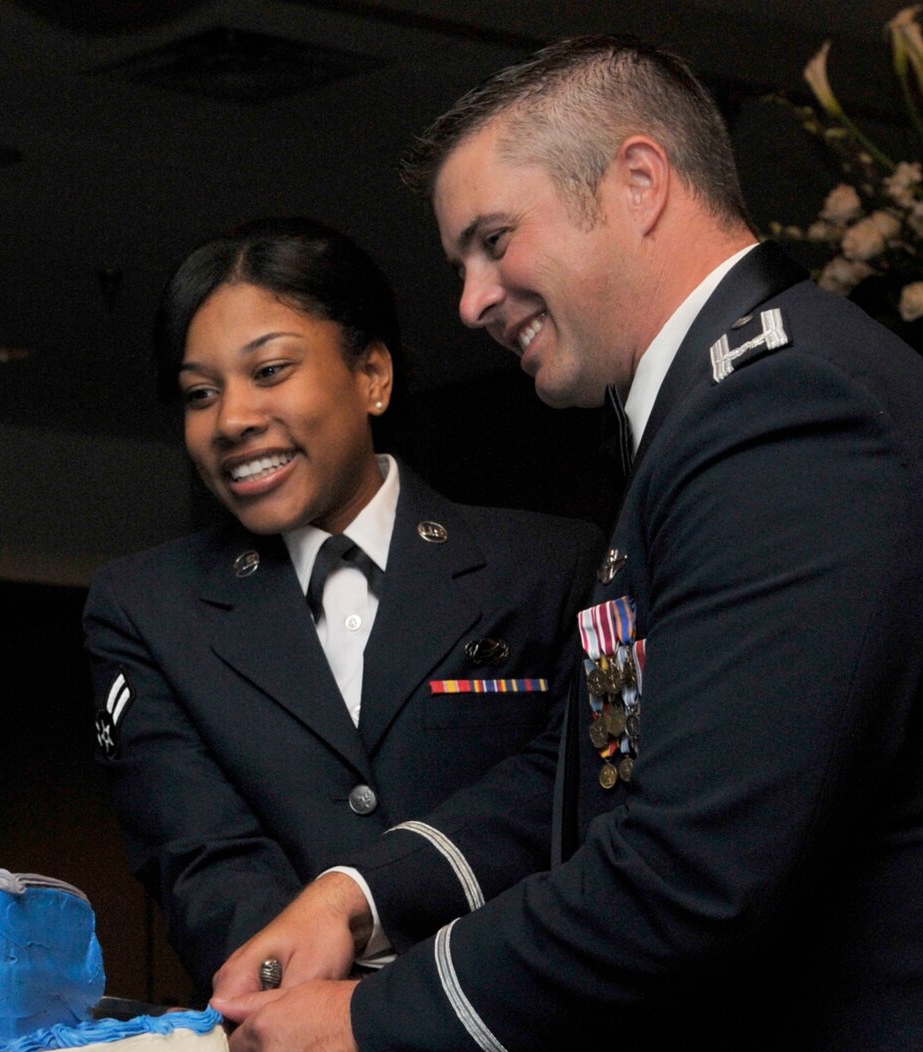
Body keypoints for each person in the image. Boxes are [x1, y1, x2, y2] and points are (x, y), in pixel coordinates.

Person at [213, 36, 923, 1052]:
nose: (468, 299)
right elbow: (598, 764)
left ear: (637, 180)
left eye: (493, 239)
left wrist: (383, 1029)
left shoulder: (783, 413)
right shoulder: (719, 414)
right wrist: (361, 892)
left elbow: (693, 863)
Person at [84, 217, 601, 997]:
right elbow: (201, 857)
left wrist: (392, 988)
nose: (231, 420)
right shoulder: (149, 607)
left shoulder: (547, 569)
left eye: (271, 370)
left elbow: (568, 806)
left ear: (373, 377)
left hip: (525, 1050)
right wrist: (313, 1005)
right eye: (200, 393)